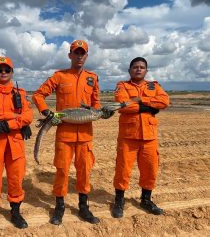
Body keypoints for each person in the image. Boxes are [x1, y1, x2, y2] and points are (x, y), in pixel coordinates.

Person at [32, 40, 113, 225]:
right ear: (70, 55)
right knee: (62, 171)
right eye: (76, 53)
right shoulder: (59, 76)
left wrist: (102, 113)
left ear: (86, 56)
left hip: (85, 135)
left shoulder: (92, 77)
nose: (79, 56)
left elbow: (96, 103)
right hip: (64, 135)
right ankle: (59, 207)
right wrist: (46, 112)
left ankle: (84, 207)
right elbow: (38, 95)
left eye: (82, 53)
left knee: (84, 171)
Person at [0, 56, 33, 236]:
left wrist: (6, 125)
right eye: (0, 70)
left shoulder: (21, 93)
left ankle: (15, 212)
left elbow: (28, 116)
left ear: (12, 72)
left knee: (16, 179)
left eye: (7, 70)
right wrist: (16, 120)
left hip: (15, 144)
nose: (3, 73)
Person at [111, 57, 170, 218]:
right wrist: (150, 107)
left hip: (149, 137)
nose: (138, 69)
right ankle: (119, 200)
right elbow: (122, 104)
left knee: (150, 169)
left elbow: (164, 101)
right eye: (135, 67)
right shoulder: (122, 85)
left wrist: (141, 100)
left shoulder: (154, 86)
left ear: (146, 70)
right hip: (128, 136)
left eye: (142, 67)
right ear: (129, 70)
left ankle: (146, 200)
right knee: (123, 169)